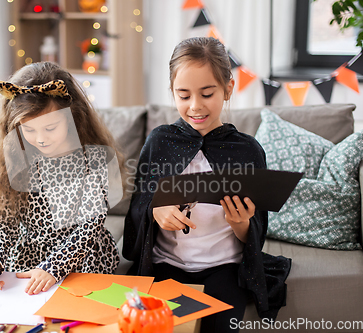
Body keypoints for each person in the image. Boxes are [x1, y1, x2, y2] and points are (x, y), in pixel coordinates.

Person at [123, 37, 291, 332]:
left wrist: (240, 223)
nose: (195, 106)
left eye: (207, 93)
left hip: (224, 268)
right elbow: (138, 210)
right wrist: (155, 211)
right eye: (183, 95)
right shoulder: (160, 141)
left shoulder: (247, 150)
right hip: (164, 266)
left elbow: (255, 233)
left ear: (228, 89)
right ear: (171, 92)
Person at [0, 61, 122, 295]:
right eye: (30, 130)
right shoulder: (16, 156)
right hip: (29, 259)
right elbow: (4, 220)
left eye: (51, 128)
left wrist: (54, 267)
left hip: (81, 257)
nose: (41, 139)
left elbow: (89, 227)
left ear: (71, 117)